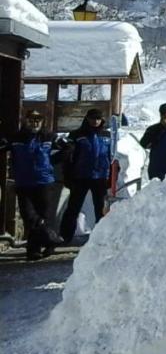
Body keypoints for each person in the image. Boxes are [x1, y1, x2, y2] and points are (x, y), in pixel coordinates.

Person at [1, 109, 64, 259]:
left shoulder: (49, 137)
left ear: (42, 122)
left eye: (38, 121)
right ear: (25, 121)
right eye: (31, 120)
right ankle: (50, 239)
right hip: (24, 183)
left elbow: (68, 147)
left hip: (45, 183)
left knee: (45, 216)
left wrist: (52, 162)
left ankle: (35, 249)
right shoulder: (16, 138)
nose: (34, 123)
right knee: (30, 217)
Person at [60, 109, 113, 242]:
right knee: (73, 208)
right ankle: (65, 236)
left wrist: (110, 176)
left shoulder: (107, 135)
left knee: (101, 209)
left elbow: (111, 157)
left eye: (98, 118)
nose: (95, 121)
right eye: (92, 118)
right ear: (87, 119)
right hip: (80, 176)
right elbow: (68, 157)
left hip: (100, 177)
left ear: (102, 120)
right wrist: (67, 176)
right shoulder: (77, 134)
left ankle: (101, 237)